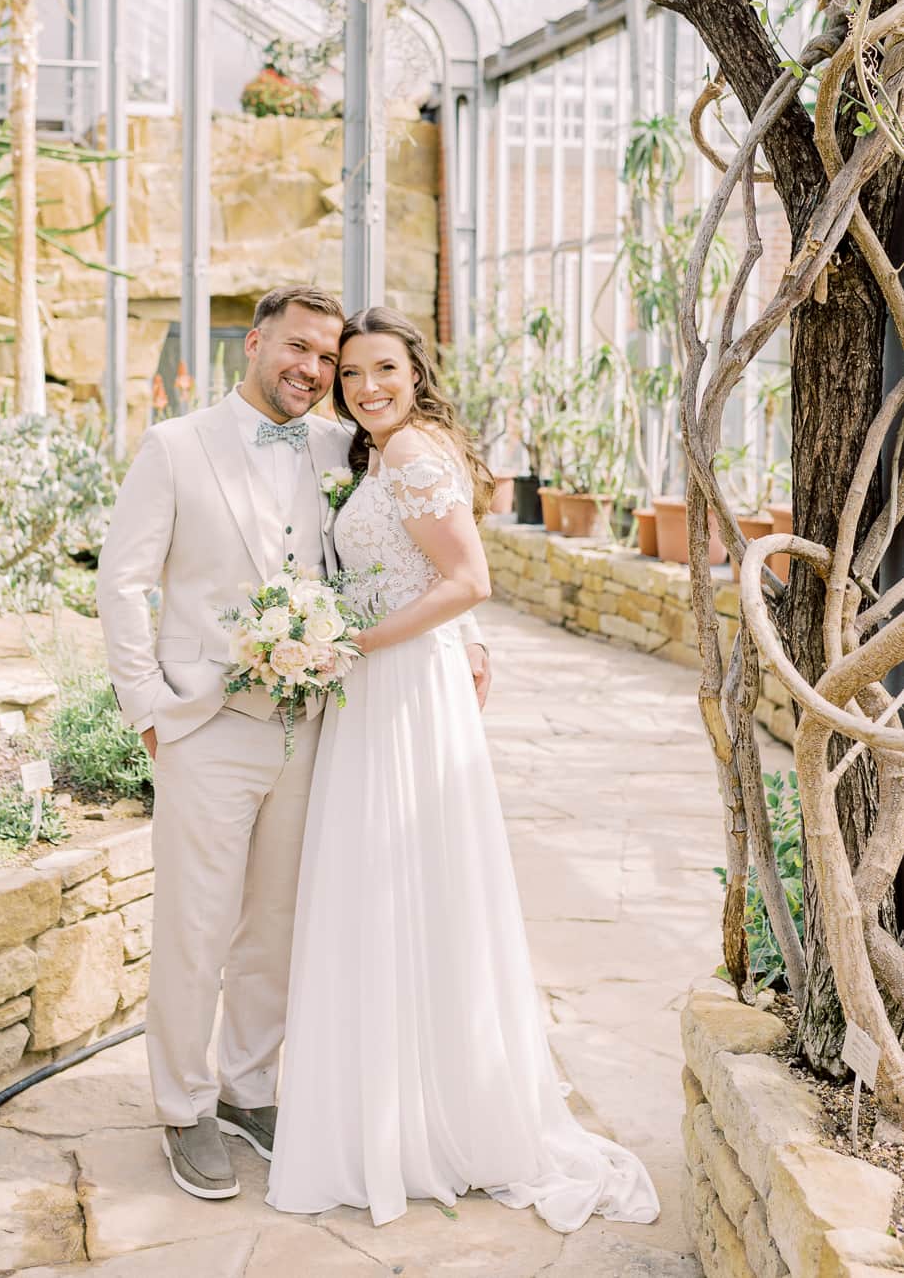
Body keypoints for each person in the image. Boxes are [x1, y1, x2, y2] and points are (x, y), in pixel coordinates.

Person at [266, 305, 660, 1234]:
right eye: (351, 372)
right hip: (392, 686)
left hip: (399, 688)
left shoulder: (408, 453)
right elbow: (428, 573)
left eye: (383, 370)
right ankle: (401, 1106)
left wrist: (347, 641)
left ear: (416, 370)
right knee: (399, 890)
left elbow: (467, 578)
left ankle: (412, 1119)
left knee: (395, 885)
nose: (365, 387)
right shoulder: (389, 449)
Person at [96, 286, 492, 1203]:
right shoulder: (174, 446)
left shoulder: (342, 444)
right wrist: (147, 708)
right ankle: (183, 1105)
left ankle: (248, 1087)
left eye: (331, 358)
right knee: (195, 927)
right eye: (304, 350)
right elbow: (121, 584)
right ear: (255, 342)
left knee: (277, 925)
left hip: (316, 723)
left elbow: (411, 550)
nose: (317, 371)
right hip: (204, 723)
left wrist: (468, 636)